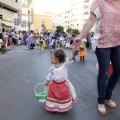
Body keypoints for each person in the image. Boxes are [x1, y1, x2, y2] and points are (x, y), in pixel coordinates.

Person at [71, 0, 120, 115]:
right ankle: (101, 101)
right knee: (103, 72)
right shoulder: (100, 2)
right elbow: (91, 20)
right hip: (102, 43)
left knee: (118, 70)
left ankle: (108, 96)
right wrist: (80, 37)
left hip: (117, 42)